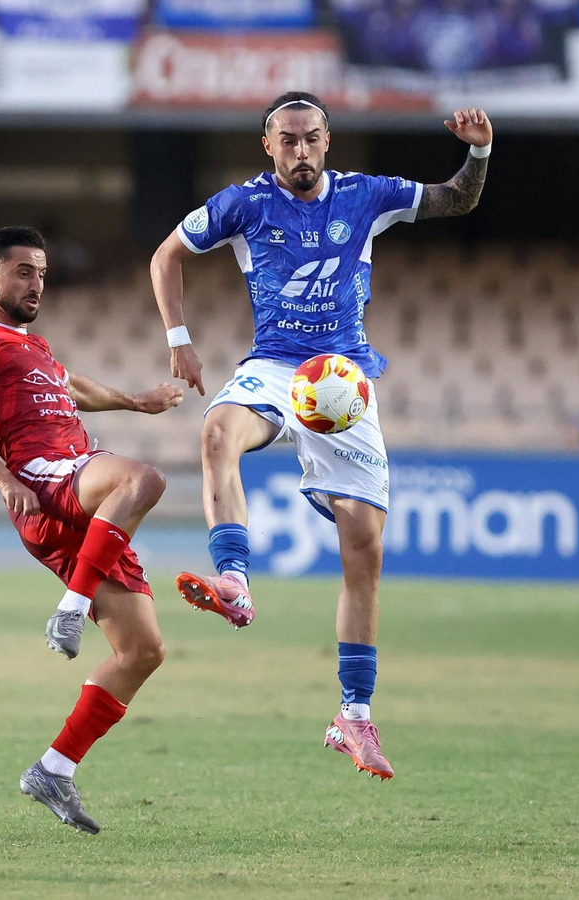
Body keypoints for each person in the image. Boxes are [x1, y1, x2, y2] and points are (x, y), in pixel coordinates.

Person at [150, 92, 491, 780]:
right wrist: (179, 339)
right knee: (217, 431)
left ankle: (354, 717)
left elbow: (457, 199)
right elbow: (166, 256)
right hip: (276, 367)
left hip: (342, 379)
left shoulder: (366, 196)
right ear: (268, 145)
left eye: (311, 138)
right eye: (288, 139)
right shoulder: (244, 204)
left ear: (328, 141)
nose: (300, 150)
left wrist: (479, 150)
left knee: (363, 550)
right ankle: (234, 579)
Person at [0, 227, 183, 834]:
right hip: (46, 479)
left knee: (143, 651)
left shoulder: (37, 349)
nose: (36, 284)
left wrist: (135, 401)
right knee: (143, 479)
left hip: (78, 501)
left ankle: (54, 768)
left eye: (42, 273)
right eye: (23, 272)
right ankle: (69, 610)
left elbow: (72, 387)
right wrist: (3, 481)